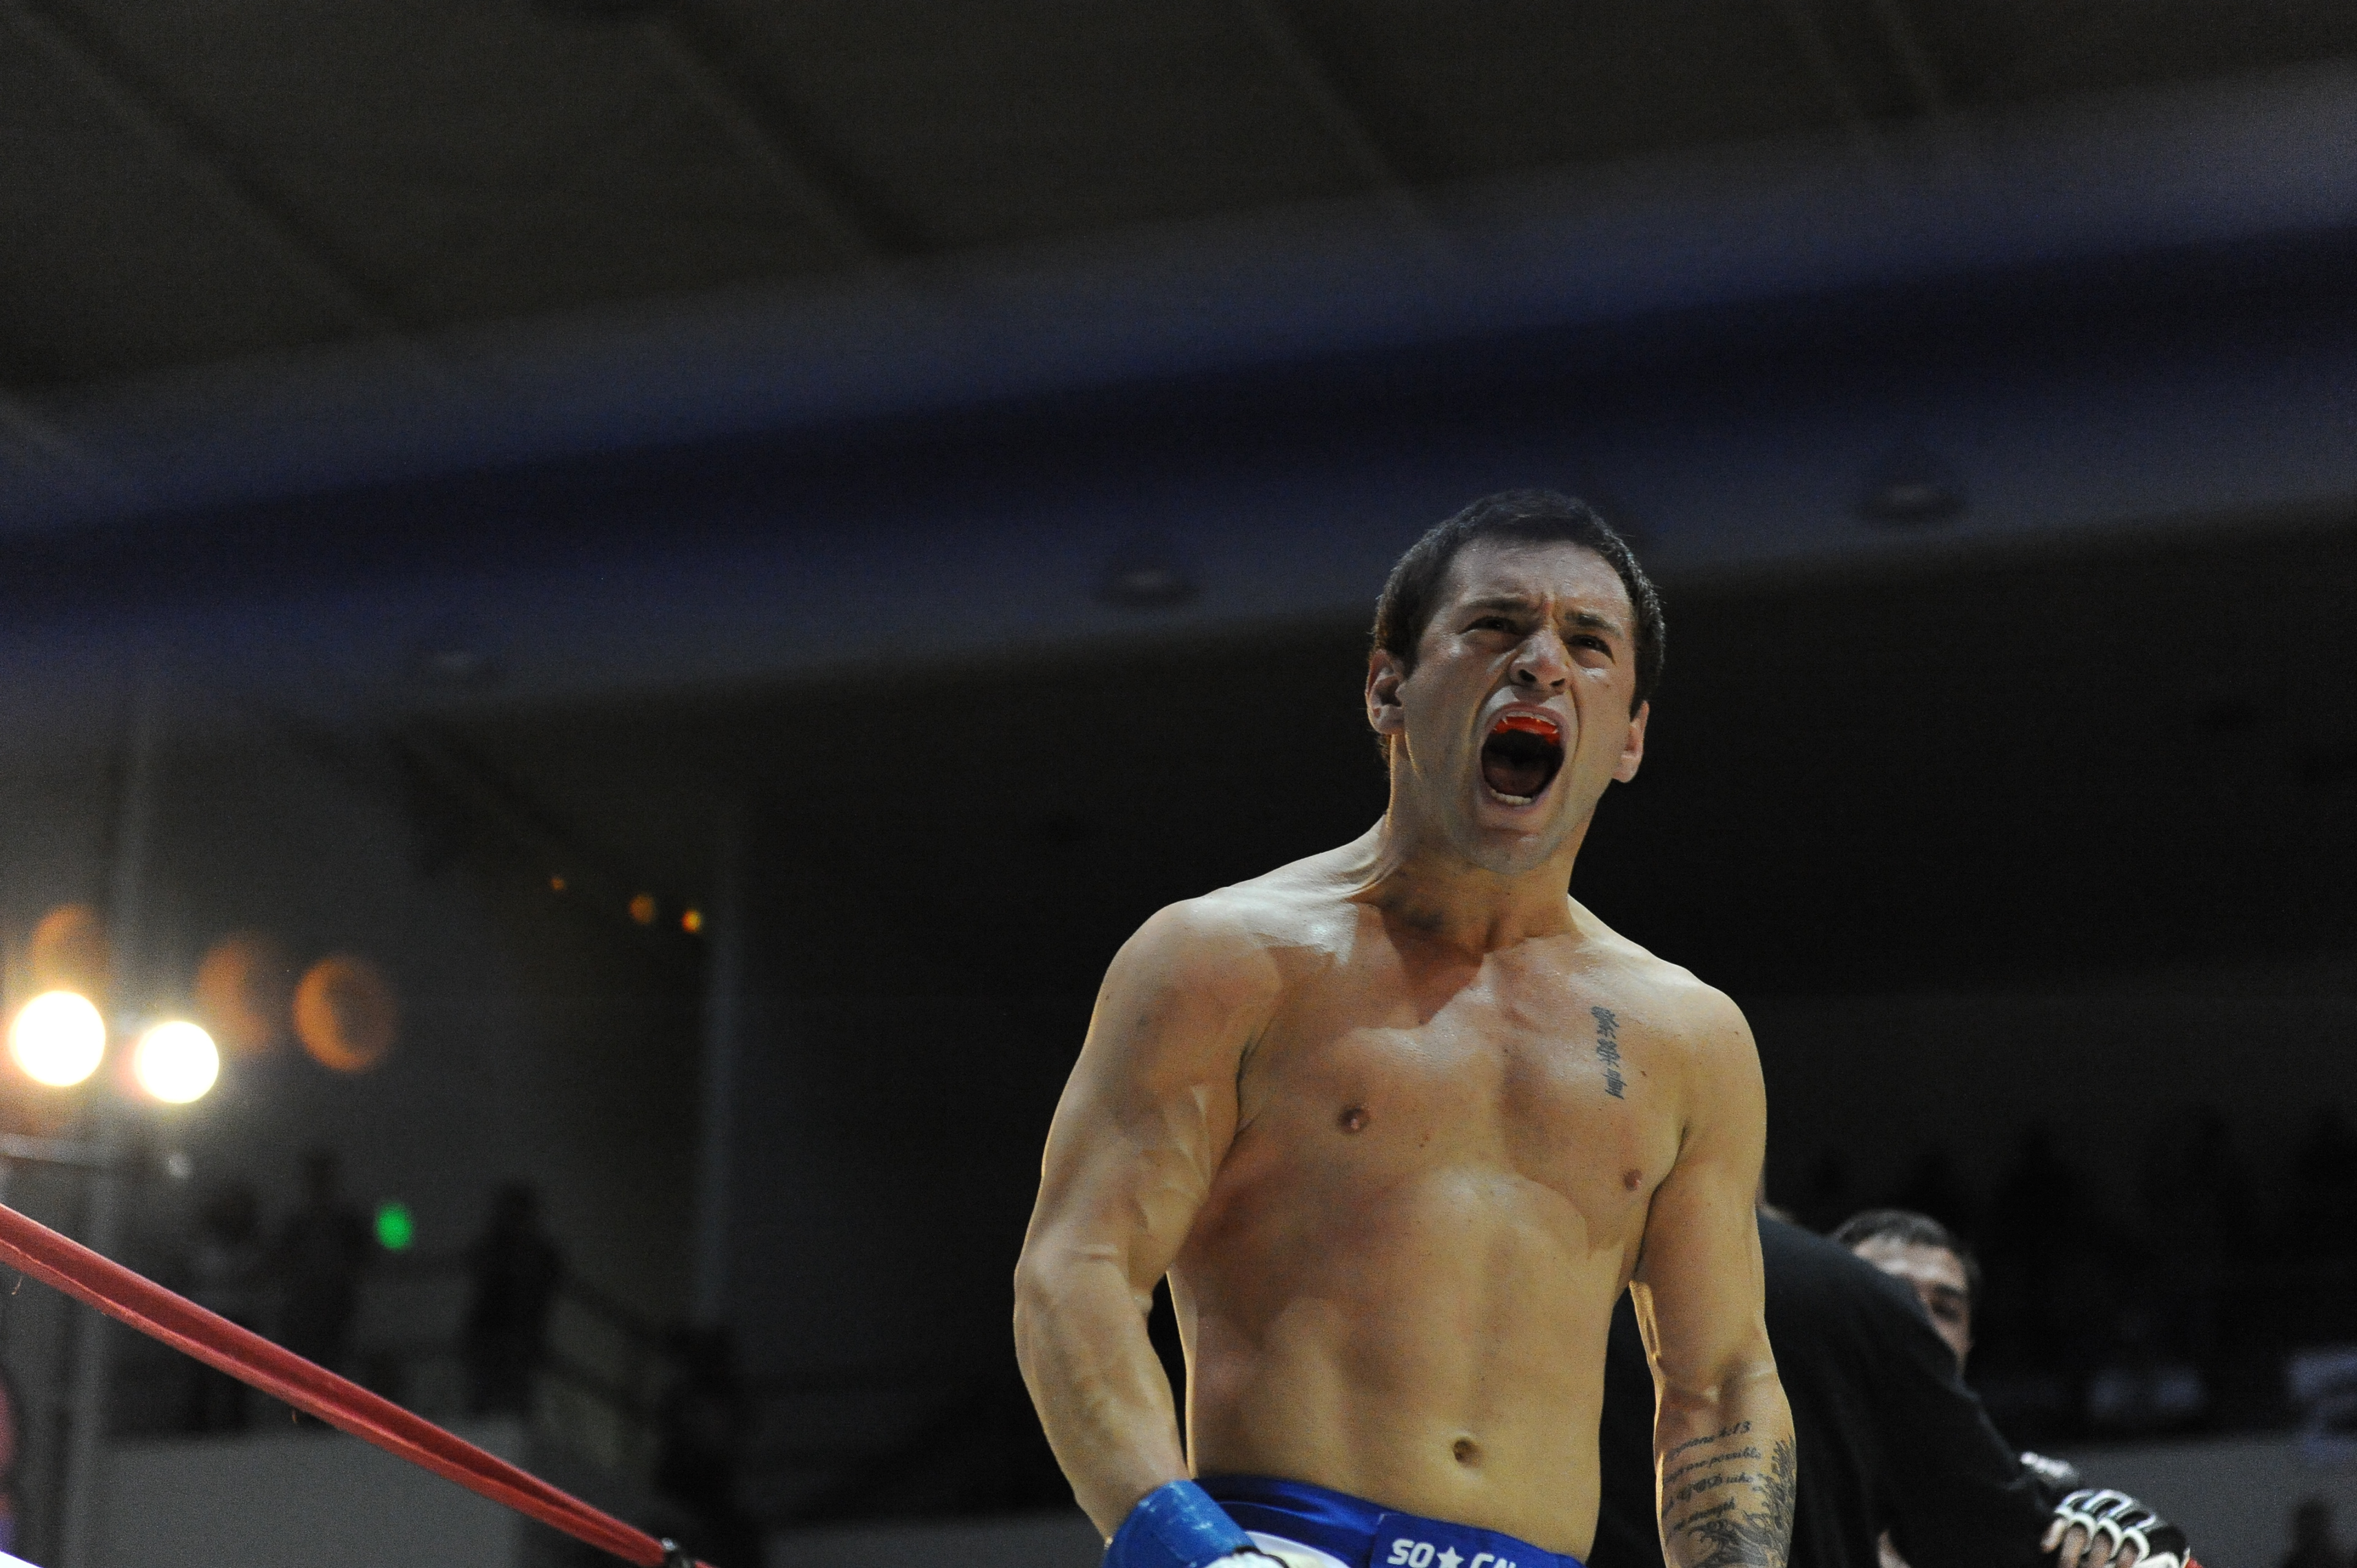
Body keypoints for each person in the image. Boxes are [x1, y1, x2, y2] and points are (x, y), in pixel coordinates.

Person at [1016, 491, 1797, 1568]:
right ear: (1388, 687)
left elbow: (1721, 1381)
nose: (1540, 663)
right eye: (1495, 626)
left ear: (1630, 737)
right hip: (1277, 1547)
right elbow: (1078, 1271)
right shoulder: (1222, 958)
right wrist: (1192, 1553)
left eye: (1588, 643)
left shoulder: (1689, 1036)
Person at [1589, 1210, 2192, 1568]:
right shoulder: (1763, 1460)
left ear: (1970, 1339)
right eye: (1891, 1298)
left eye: (1945, 1307)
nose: (1918, 1321)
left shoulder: (2027, 1504)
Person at [462, 1181, 565, 1415]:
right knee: (484, 1393)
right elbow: (475, 1262)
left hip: (520, 1334)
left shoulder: (539, 1253)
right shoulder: (495, 1246)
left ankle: (509, 1412)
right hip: (490, 1331)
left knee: (516, 1393)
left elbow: (553, 1271)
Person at [274, 1148, 373, 1383]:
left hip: (335, 1301)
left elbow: (364, 1258)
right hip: (302, 1304)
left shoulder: (347, 1223)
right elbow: (280, 1261)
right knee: (302, 1363)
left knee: (333, 1362)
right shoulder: (296, 1224)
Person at [185, 1180, 269, 1432]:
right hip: (206, 1315)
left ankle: (235, 1428)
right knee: (202, 1377)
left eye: (237, 1206)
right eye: (228, 1205)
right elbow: (197, 1270)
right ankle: (196, 1428)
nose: (232, 1210)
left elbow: (257, 1274)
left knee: (236, 1381)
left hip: (239, 1317)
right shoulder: (204, 1239)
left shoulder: (252, 1242)